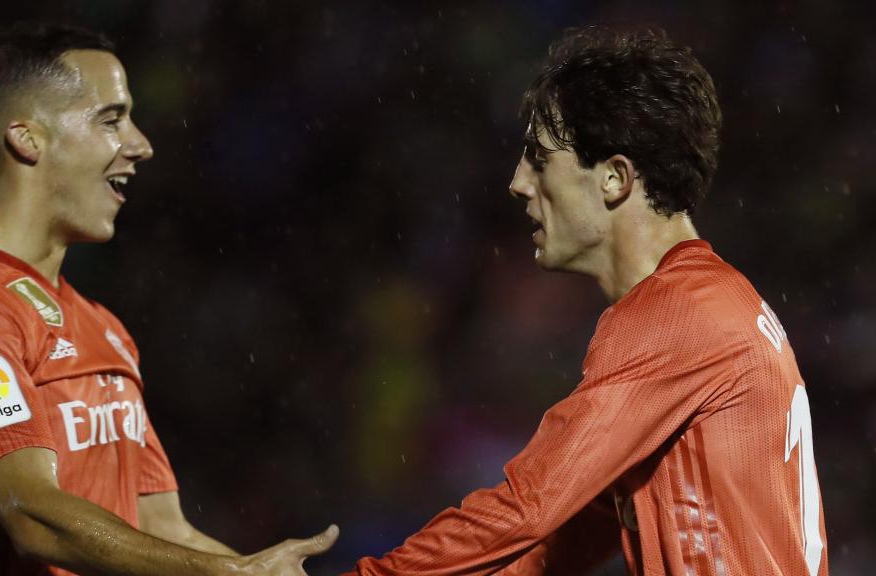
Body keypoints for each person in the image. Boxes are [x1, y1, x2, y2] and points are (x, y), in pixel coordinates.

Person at [345, 25, 828, 576]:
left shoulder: (675, 315)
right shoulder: (715, 304)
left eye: (540, 159)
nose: (518, 183)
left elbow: (526, 508)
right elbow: (551, 550)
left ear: (614, 179)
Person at [0, 22, 337, 575]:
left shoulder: (103, 328)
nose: (140, 145)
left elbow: (160, 527)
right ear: (27, 139)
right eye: (111, 119)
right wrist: (228, 575)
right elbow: (31, 515)